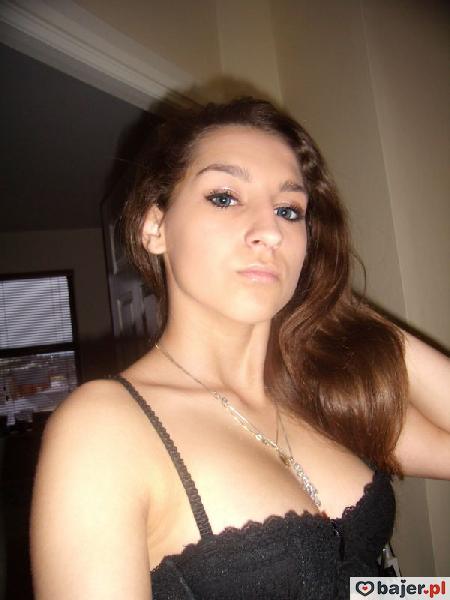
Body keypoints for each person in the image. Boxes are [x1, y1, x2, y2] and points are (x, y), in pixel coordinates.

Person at [30, 98, 450, 599]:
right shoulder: (103, 426)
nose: (270, 231)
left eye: (288, 210)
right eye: (225, 197)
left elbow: (368, 587)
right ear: (155, 227)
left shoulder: (323, 389)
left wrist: (333, 303)